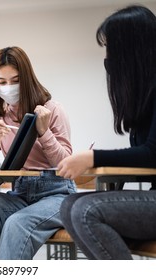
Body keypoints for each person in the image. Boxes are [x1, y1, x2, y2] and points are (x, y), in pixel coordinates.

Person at [57, 5, 156, 260]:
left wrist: (92, 158)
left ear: (132, 51)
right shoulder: (146, 97)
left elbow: (151, 154)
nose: (109, 59)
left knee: (85, 211)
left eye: (112, 49)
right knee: (69, 206)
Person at [0, 46, 76, 260]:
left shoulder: (52, 109)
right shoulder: (1, 115)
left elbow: (66, 163)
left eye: (15, 80)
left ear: (26, 79)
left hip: (57, 194)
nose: (8, 87)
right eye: (1, 82)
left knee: (17, 223)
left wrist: (44, 132)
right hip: (21, 192)